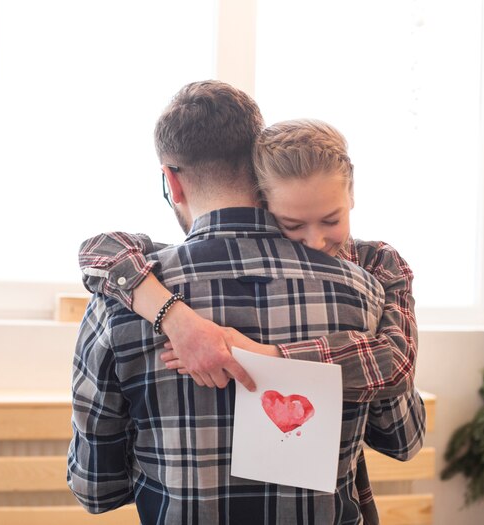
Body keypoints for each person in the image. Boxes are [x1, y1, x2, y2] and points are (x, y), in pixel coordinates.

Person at [68, 81, 424, 524]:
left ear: (172, 182)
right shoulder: (366, 290)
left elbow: (96, 489)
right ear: (258, 176)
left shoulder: (123, 297)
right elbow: (402, 440)